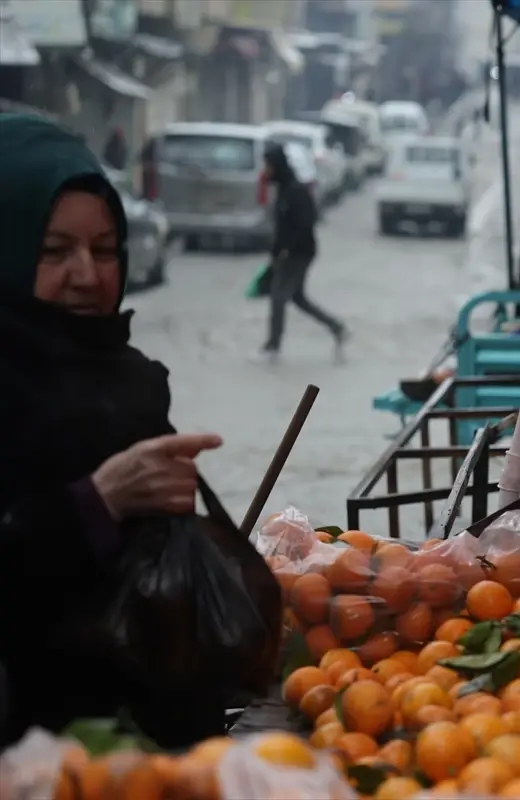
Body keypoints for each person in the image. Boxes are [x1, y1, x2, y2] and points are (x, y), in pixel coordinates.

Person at [0, 113, 224, 746]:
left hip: (157, 749)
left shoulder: (133, 380)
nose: (87, 275)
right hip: (38, 751)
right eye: (54, 251)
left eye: (103, 250)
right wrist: (98, 502)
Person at [261, 142, 348, 362]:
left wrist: (286, 251)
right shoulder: (283, 189)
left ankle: (273, 346)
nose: (266, 171)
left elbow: (304, 224)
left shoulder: (296, 191)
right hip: (289, 252)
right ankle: (337, 328)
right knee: (297, 298)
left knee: (279, 297)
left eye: (269, 166)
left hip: (299, 253)